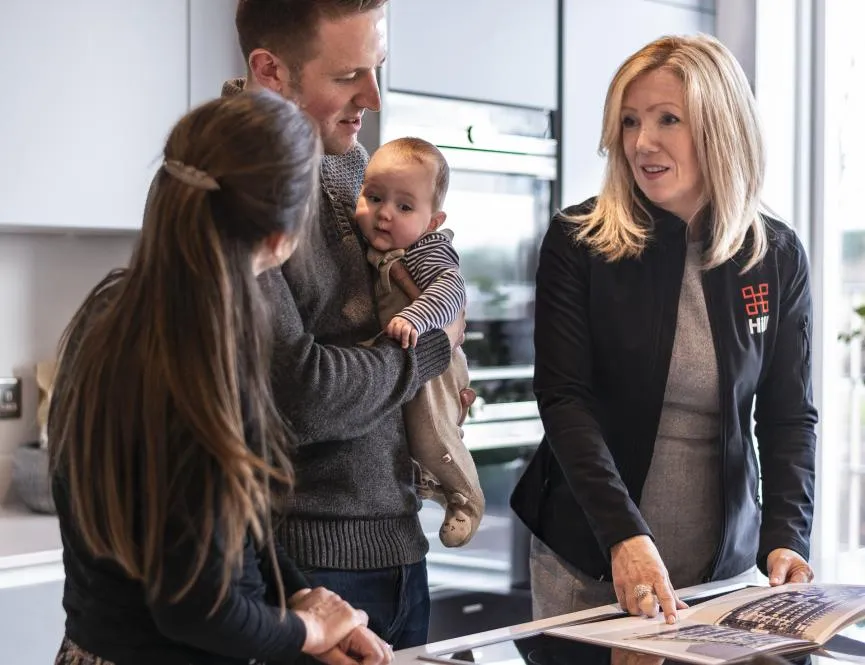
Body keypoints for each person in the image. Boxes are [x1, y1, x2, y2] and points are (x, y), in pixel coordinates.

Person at [49, 91, 391, 665]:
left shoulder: (112, 307)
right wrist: (306, 630)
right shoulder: (203, 353)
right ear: (282, 239)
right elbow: (197, 609)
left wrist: (299, 596)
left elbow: (221, 530)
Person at [510, 34, 818, 624]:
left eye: (667, 119)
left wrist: (787, 537)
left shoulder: (775, 255)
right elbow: (565, 400)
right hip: (593, 559)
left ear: (720, 127)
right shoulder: (578, 241)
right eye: (629, 121)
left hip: (722, 573)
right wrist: (624, 537)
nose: (641, 143)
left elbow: (788, 415)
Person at [223, 0, 468, 649]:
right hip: (304, 570)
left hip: (400, 544)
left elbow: (416, 286)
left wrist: (436, 376)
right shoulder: (234, 189)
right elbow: (301, 396)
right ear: (270, 70)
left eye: (376, 68)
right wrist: (428, 352)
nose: (373, 98)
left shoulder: (353, 163)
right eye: (347, 75)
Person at [355, 137, 485, 548]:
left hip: (438, 367)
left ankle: (466, 498)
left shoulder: (424, 250)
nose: (384, 214)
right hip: (412, 358)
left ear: (432, 222)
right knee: (411, 430)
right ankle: (429, 479)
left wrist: (415, 316)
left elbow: (451, 291)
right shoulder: (376, 243)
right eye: (374, 198)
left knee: (432, 430)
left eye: (405, 207)